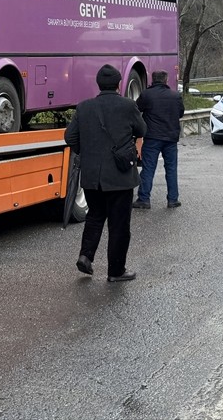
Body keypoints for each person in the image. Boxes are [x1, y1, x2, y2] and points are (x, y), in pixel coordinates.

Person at [65, 64, 146, 282]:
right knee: (119, 225)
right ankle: (116, 271)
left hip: (92, 177)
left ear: (98, 84)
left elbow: (69, 138)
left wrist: (88, 152)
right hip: (119, 176)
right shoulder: (128, 106)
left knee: (95, 216)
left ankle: (85, 256)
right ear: (120, 84)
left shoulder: (84, 108)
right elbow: (142, 130)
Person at [135, 70, 185, 209]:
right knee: (171, 169)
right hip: (171, 137)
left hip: (152, 137)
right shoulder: (175, 95)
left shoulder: (146, 94)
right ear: (166, 80)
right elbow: (180, 113)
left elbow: (136, 109)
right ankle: (173, 199)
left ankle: (144, 199)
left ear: (153, 79)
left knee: (148, 168)